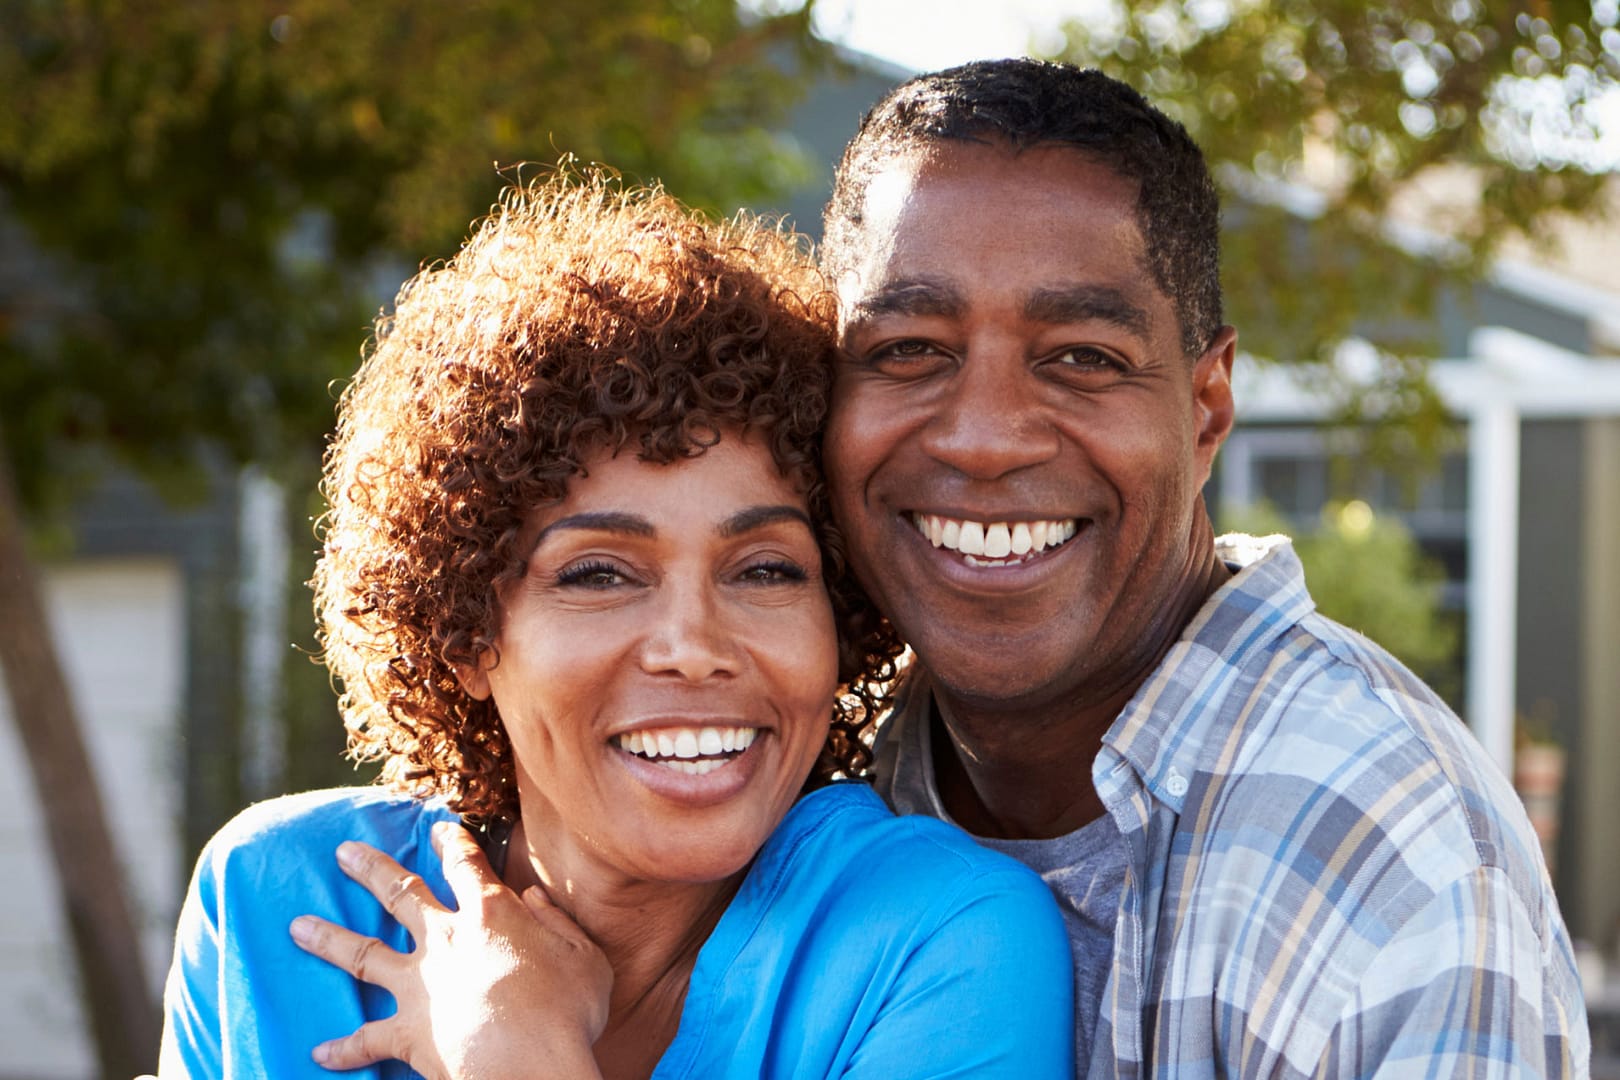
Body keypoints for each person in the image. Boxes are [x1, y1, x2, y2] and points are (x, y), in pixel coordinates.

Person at [155, 171, 1074, 1079]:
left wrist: (516, 1061)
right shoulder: (283, 905)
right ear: (467, 633)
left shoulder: (939, 943)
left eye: (765, 570)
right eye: (598, 574)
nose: (695, 646)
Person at [818, 57, 1590, 1077]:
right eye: (910, 349)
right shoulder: (807, 773)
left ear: (1207, 408)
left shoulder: (1387, 858)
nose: (985, 440)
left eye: (1082, 357)